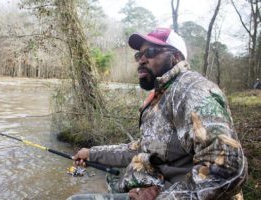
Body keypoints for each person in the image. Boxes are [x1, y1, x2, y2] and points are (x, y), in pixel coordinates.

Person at [67, 28, 248, 200]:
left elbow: (227, 168)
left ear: (175, 57)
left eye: (151, 52)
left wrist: (163, 196)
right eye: (139, 54)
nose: (142, 59)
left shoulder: (191, 91)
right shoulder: (164, 94)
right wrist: (91, 154)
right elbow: (144, 147)